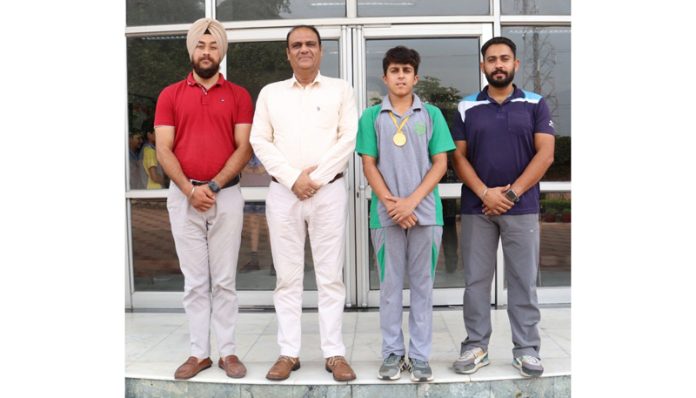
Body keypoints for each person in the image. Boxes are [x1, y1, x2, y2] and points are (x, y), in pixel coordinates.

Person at [249, 25, 358, 382]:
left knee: (330, 276)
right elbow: (259, 140)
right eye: (296, 45)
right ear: (287, 53)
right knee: (287, 276)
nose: (304, 50)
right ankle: (288, 353)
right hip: (284, 193)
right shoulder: (270, 93)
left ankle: (334, 353)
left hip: (327, 192)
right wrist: (294, 178)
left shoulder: (341, 90)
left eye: (310, 44)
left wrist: (315, 179)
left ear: (321, 51)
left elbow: (348, 138)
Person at [153, 17, 254, 380]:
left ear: (221, 52)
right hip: (183, 198)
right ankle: (199, 353)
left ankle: (228, 352)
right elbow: (164, 149)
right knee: (195, 281)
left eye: (213, 46)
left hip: (224, 197)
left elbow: (244, 148)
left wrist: (210, 188)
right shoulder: (170, 95)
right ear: (192, 50)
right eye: (201, 45)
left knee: (224, 280)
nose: (206, 52)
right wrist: (189, 190)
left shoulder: (239, 95)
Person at [450, 36, 555, 378]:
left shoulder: (536, 104)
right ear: (483, 66)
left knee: (523, 281)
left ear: (515, 64)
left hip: (521, 208)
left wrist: (510, 195)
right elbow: (458, 158)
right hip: (477, 208)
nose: (498, 64)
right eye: (491, 59)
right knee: (476, 282)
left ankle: (526, 350)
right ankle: (476, 346)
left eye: (504, 58)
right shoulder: (466, 107)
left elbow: (546, 154)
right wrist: (485, 193)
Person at [356, 46, 455, 382]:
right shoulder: (371, 117)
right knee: (389, 286)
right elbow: (369, 165)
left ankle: (420, 356)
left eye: (406, 70)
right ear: (385, 77)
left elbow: (440, 163)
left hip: (426, 214)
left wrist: (410, 202)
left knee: (423, 287)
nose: (401, 76)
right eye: (394, 70)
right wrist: (392, 205)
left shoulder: (431, 115)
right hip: (385, 216)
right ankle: (393, 354)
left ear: (416, 77)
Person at [141, 120, 166, 189]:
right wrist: (166, 182)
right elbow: (154, 177)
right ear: (149, 135)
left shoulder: (147, 149)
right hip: (154, 190)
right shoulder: (150, 151)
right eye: (156, 132)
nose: (159, 134)